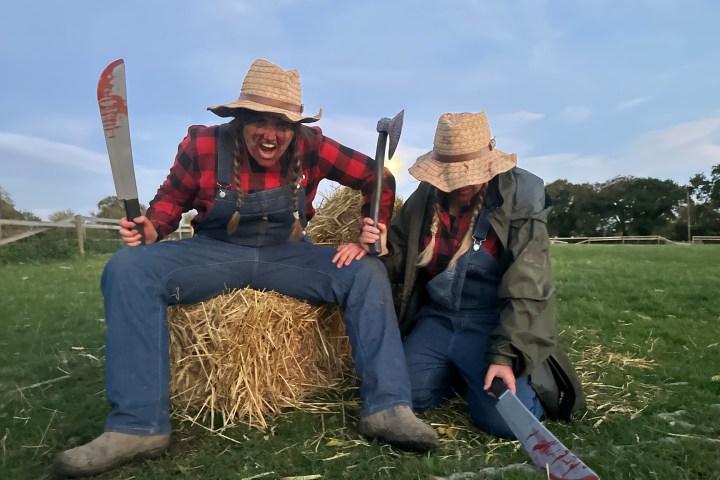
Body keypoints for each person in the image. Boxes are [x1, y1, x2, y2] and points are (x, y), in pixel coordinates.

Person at [52, 59, 438, 478]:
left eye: (283, 123)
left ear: (296, 127)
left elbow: (375, 175)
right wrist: (153, 226)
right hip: (215, 253)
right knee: (127, 269)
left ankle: (387, 408)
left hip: (289, 256)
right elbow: (170, 199)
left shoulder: (312, 145)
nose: (271, 134)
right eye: (259, 119)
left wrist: (370, 230)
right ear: (239, 117)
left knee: (367, 273)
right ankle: (137, 425)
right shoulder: (201, 145)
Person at [359, 112, 585, 438]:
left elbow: (529, 286)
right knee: (402, 396)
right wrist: (382, 250)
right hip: (436, 319)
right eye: (450, 174)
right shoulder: (424, 198)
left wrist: (505, 355)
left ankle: (498, 375)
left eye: (469, 173)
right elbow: (400, 263)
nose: (461, 184)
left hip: (492, 323)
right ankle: (459, 374)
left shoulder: (520, 197)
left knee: (504, 423)